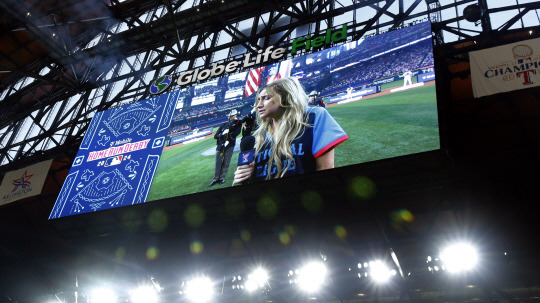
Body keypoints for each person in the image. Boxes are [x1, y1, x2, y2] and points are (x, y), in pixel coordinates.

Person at [233, 77, 348, 184]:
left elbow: (324, 168)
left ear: (287, 97)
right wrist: (251, 173)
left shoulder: (313, 117)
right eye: (258, 100)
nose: (258, 105)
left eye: (266, 98)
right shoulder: (258, 136)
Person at [209, 109, 241, 186]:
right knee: (218, 162)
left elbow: (237, 132)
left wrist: (232, 125)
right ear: (230, 116)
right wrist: (222, 134)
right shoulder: (223, 125)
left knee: (226, 162)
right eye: (233, 115)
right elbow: (215, 136)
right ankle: (215, 178)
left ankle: (222, 178)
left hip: (229, 145)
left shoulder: (237, 123)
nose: (235, 116)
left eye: (236, 115)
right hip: (220, 146)